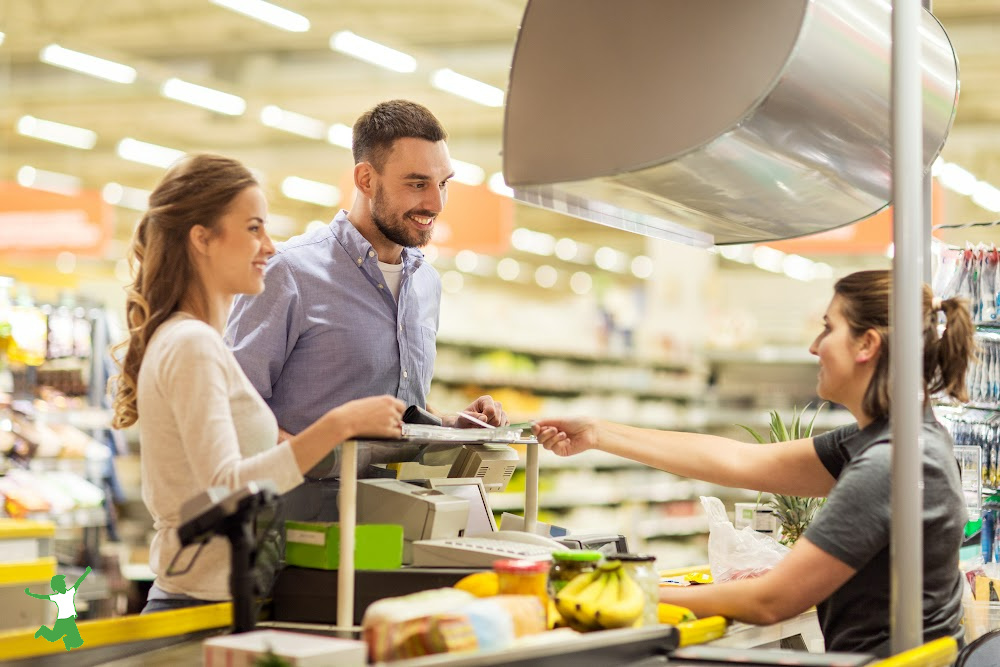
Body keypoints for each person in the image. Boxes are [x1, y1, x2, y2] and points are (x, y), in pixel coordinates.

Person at [534, 270, 976, 657]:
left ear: (867, 344)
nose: (813, 346)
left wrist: (625, 590)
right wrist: (597, 433)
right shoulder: (899, 439)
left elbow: (770, 601)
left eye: (828, 328)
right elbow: (741, 460)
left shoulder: (888, 464)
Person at [110, 154, 405, 612]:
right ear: (202, 238)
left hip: (220, 598)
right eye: (253, 228)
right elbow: (225, 490)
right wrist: (339, 425)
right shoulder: (191, 344)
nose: (270, 246)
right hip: (200, 606)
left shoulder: (193, 340)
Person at [225, 100, 507, 521]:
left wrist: (448, 426)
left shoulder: (425, 283)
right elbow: (234, 412)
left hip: (398, 524)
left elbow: (397, 408)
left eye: (443, 183)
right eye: (417, 184)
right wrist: (323, 460)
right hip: (295, 531)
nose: (436, 203)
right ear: (365, 179)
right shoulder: (290, 271)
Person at [25, 567, 91, 650]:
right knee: (53, 638)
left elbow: (79, 582)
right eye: (61, 583)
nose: (63, 584)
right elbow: (43, 596)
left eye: (63, 583)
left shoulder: (70, 592)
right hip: (62, 621)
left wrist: (86, 573)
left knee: (77, 641)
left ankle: (67, 640)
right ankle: (43, 630)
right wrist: (30, 594)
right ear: (57, 587)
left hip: (69, 620)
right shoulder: (57, 597)